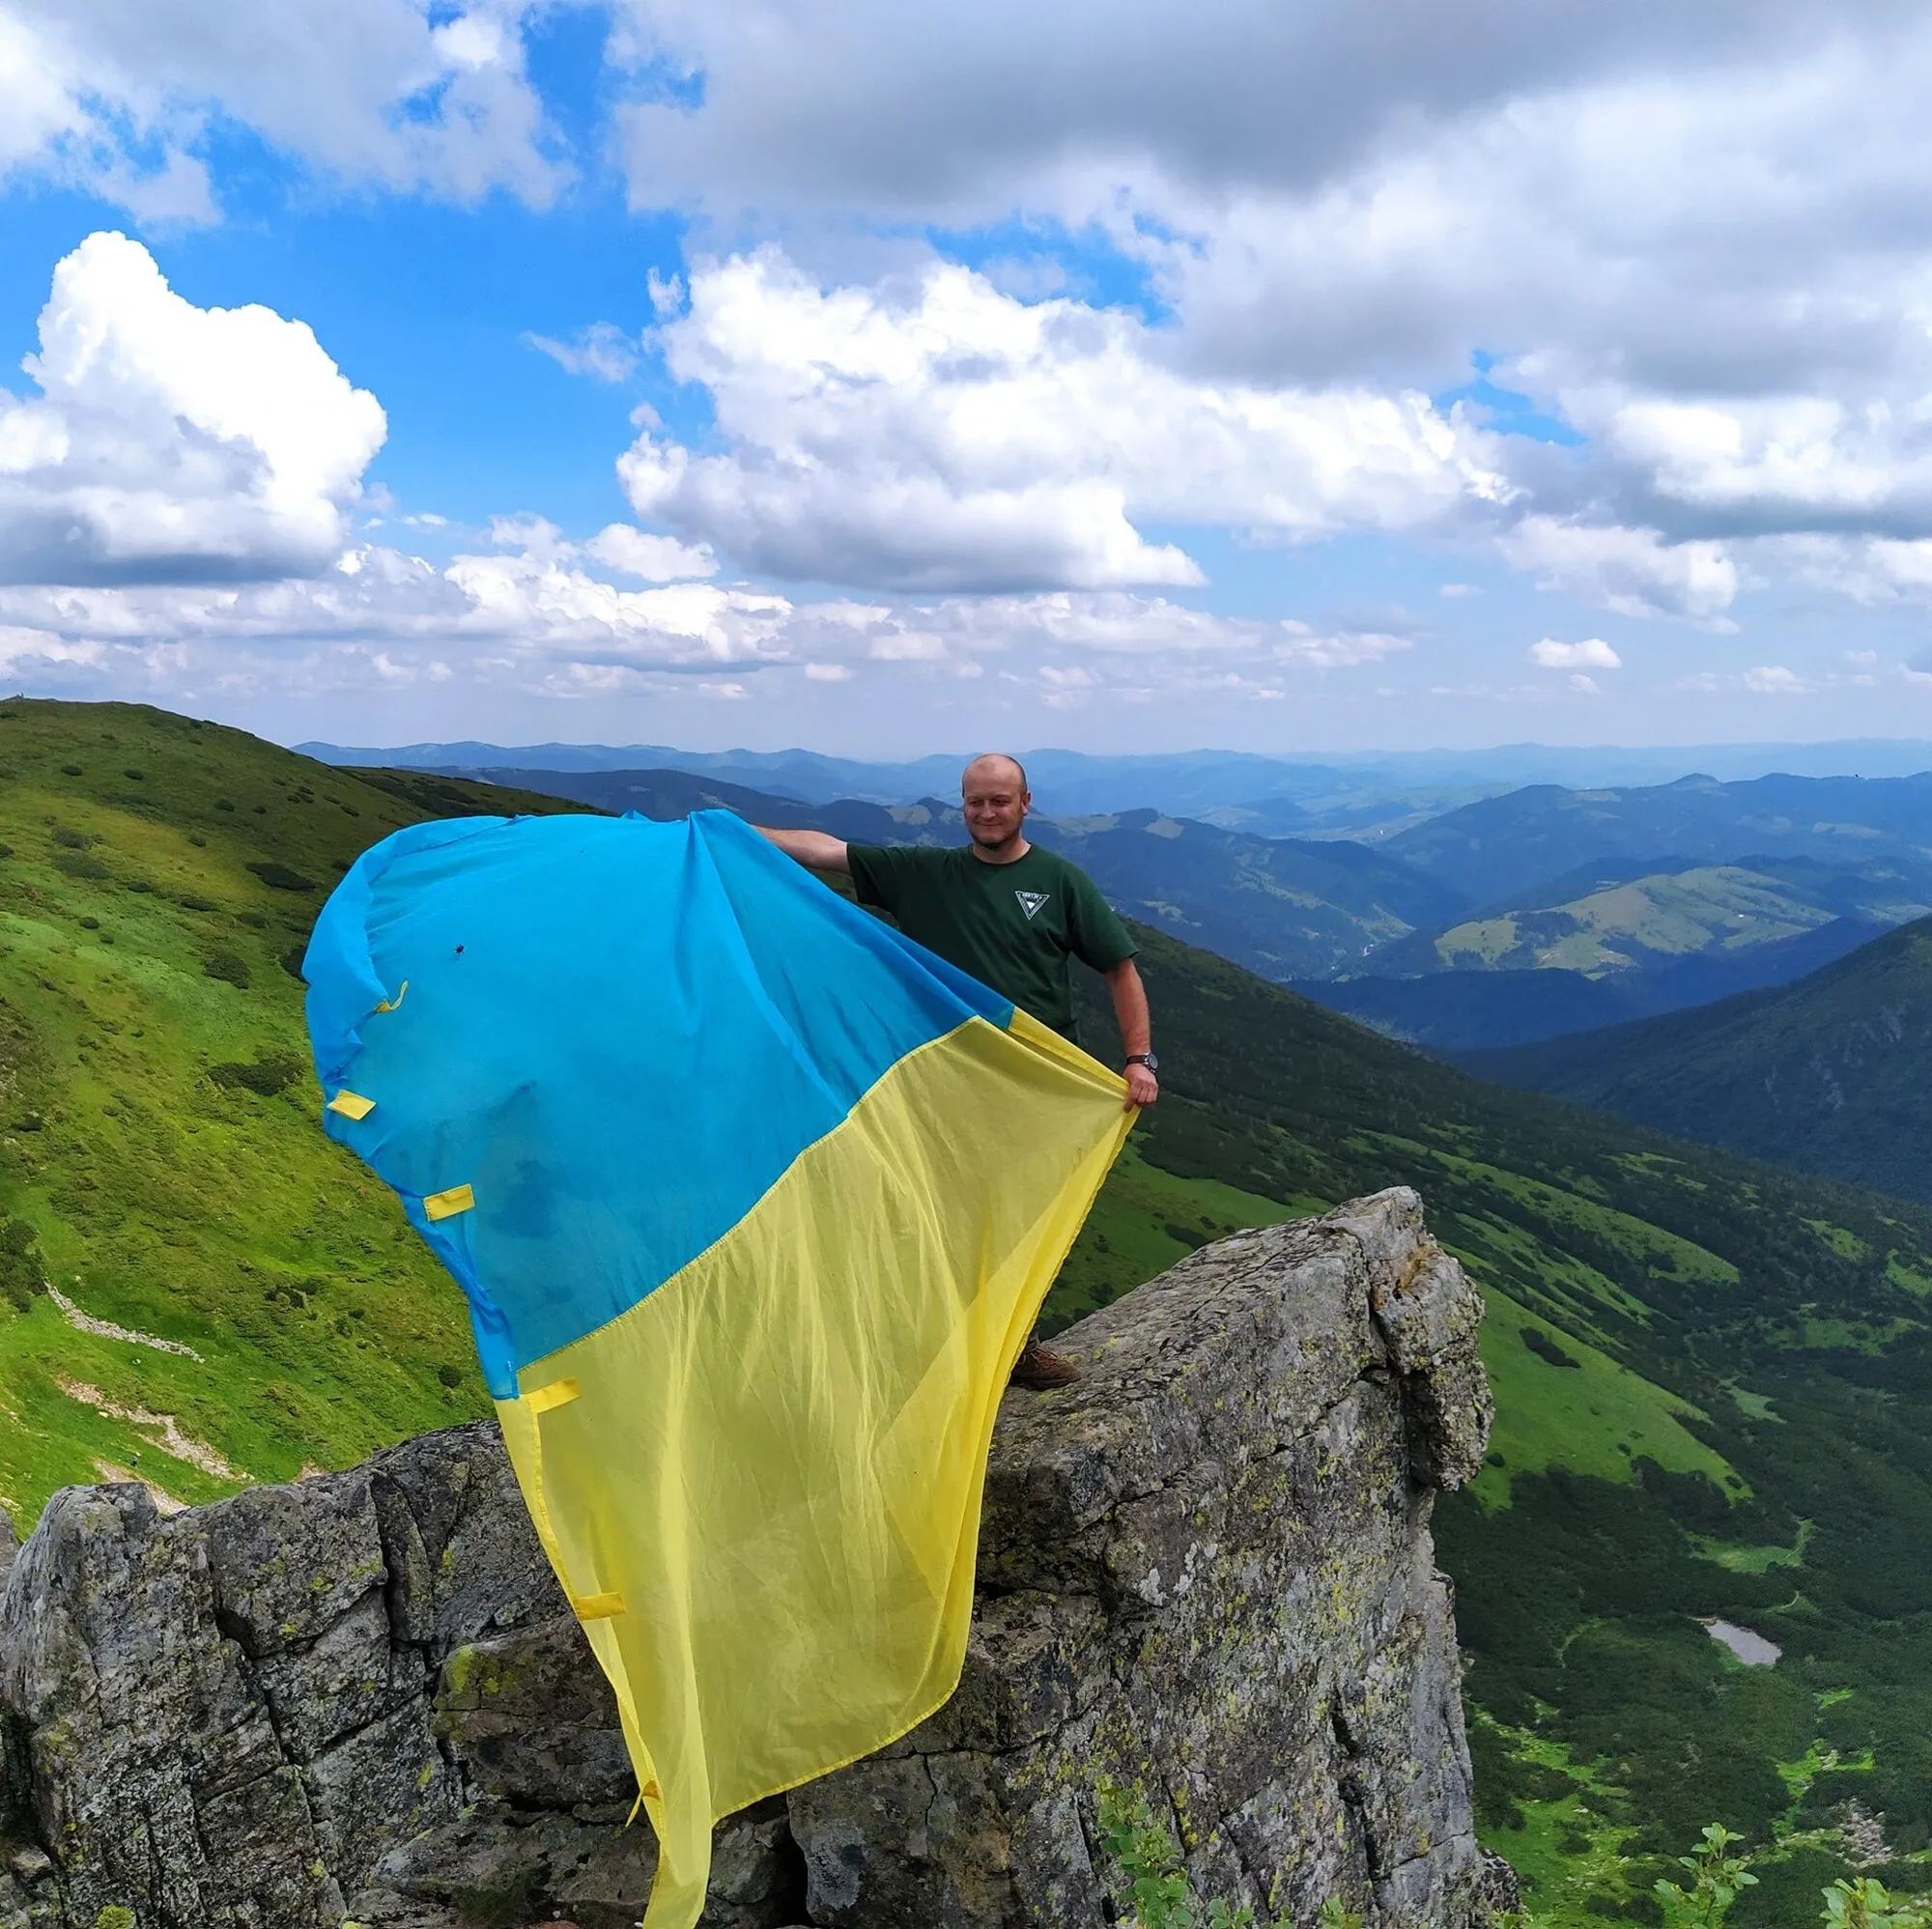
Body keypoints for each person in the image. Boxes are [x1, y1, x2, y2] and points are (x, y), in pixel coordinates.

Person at [756, 752, 1157, 1389]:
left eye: (1000, 800)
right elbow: (825, 851)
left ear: (1026, 804)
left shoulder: (1060, 881)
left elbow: (1120, 969)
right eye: (976, 800)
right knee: (938, 1218)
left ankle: (1015, 1348)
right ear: (960, 806)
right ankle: (932, 1351)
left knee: (1023, 1220)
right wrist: (735, 832)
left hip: (1035, 1085)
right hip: (943, 1084)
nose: (987, 811)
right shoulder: (926, 873)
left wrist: (1139, 1058)